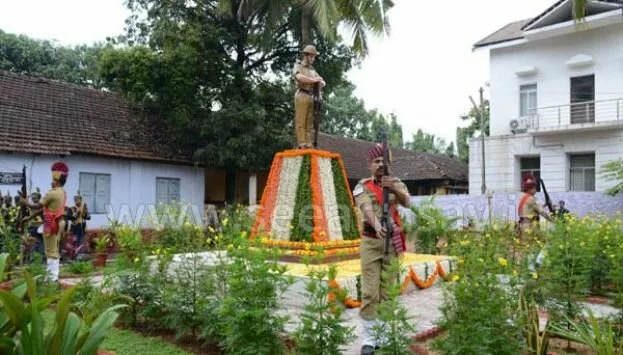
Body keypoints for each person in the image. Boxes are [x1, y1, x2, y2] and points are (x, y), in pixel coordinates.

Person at [352, 143, 411, 354]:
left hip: (392, 242)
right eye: (376, 161)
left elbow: (408, 202)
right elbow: (365, 207)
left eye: (384, 161)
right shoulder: (363, 185)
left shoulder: (397, 183)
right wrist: (377, 225)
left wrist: (392, 187)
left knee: (388, 292)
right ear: (370, 165)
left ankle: (383, 335)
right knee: (370, 292)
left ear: (390, 164)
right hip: (371, 241)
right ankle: (369, 338)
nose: (380, 165)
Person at [20, 161, 69, 282]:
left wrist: (24, 201)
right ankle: (51, 275)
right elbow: (44, 209)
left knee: (51, 251)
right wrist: (30, 218)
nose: (50, 182)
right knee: (54, 249)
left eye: (52, 180)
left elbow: (36, 206)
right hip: (58, 222)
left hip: (50, 223)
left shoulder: (52, 193)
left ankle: (52, 278)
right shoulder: (62, 192)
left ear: (56, 181)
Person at [292, 44, 325, 149]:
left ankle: (308, 144)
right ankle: (301, 143)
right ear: (305, 56)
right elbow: (299, 77)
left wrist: (319, 82)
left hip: (311, 96)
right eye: (311, 56)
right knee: (301, 120)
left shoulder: (312, 70)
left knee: (309, 122)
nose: (313, 58)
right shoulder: (298, 66)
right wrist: (314, 80)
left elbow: (323, 82)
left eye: (314, 56)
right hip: (301, 94)